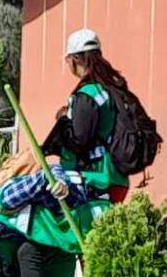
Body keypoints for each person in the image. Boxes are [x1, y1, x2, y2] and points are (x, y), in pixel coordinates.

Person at [42, 29, 131, 203]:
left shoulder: (87, 94)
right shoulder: (112, 90)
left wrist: (64, 122)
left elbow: (79, 140)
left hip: (95, 179)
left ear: (74, 59)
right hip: (116, 177)